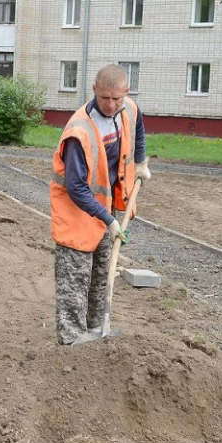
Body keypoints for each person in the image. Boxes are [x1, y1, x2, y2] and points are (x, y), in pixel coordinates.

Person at [49, 64, 151, 345]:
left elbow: (138, 127)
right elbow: (76, 187)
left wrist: (140, 162)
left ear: (125, 94)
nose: (110, 104)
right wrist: (109, 220)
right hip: (76, 214)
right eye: (104, 97)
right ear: (94, 90)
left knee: (101, 276)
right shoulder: (79, 131)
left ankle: (96, 334)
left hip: (107, 210)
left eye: (116, 98)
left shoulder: (127, 109)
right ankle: (71, 340)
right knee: (75, 281)